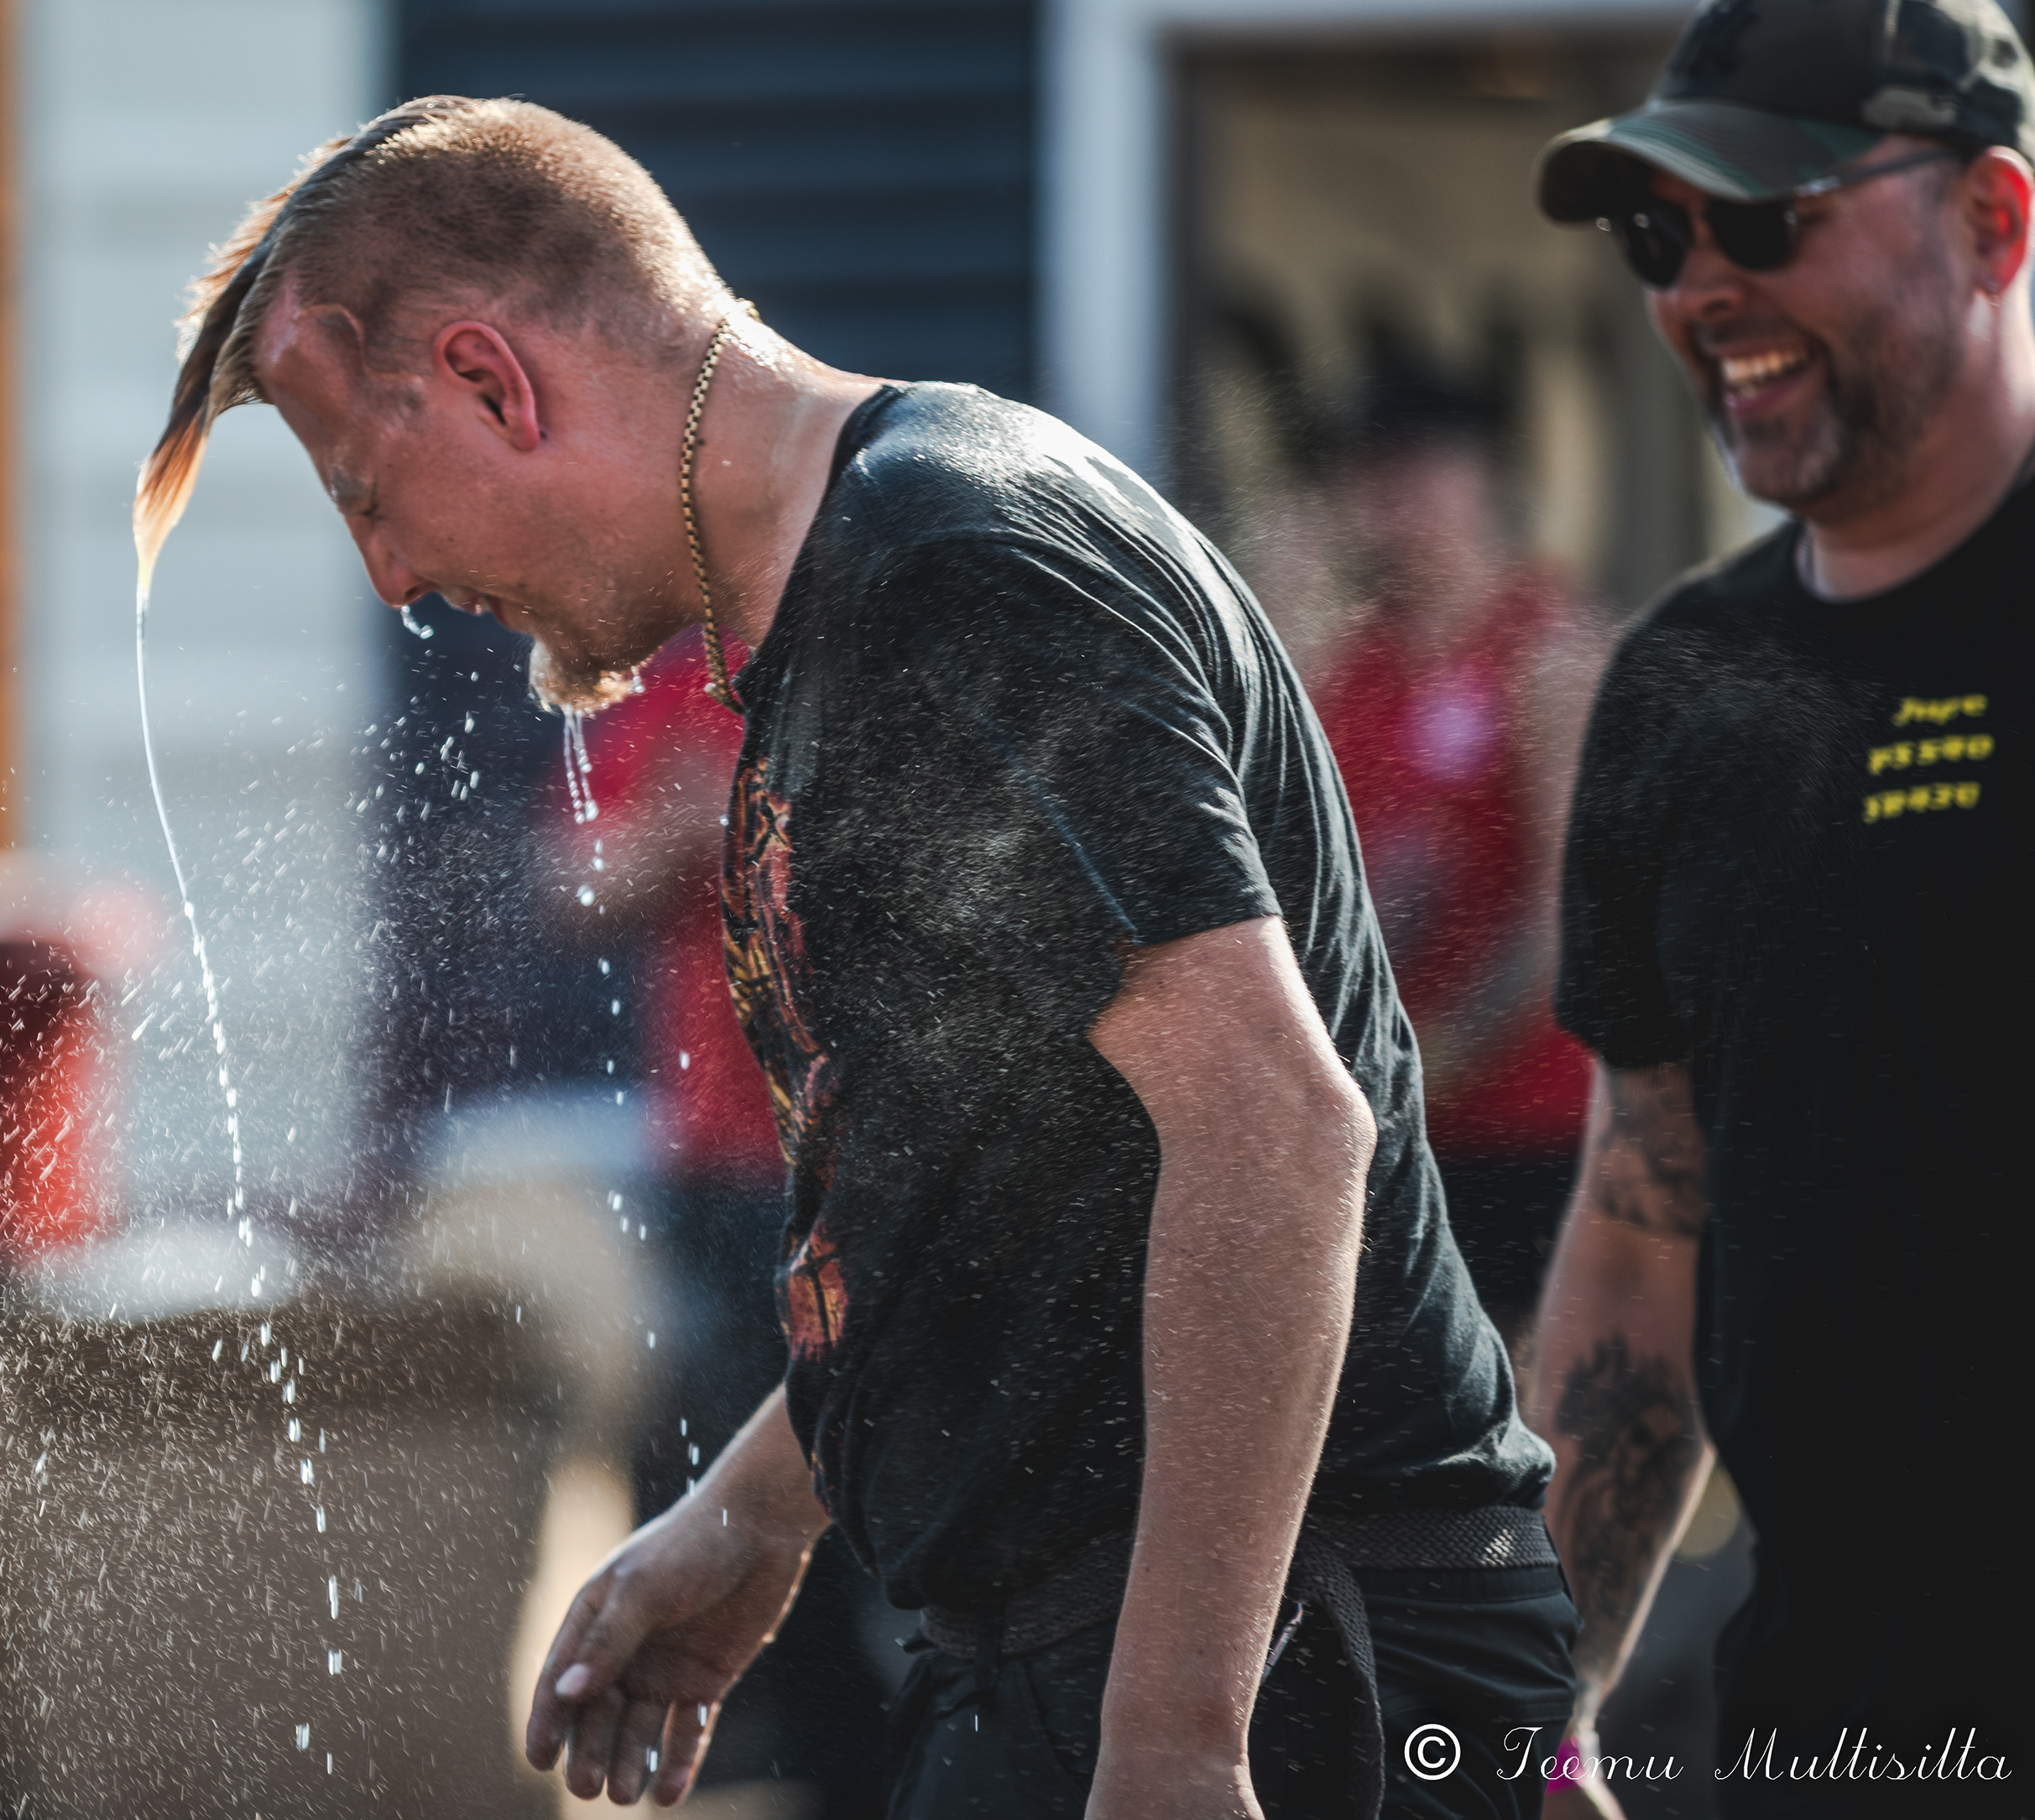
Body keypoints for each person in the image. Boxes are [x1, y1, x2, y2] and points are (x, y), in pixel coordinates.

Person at [137, 98, 1568, 1817]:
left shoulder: (955, 568)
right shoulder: (846, 598)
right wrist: (753, 1513)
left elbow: (1278, 1133)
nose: (392, 577)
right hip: (1148, 1640)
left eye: (369, 494)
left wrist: (1178, 1744)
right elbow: (1008, 1193)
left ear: (493, 382)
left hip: (1271, 1662)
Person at [1529, 0, 2032, 1810]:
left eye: (1768, 216)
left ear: (1992, 219)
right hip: (1833, 1736)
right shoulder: (1683, 689)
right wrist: (1528, 1709)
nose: (1703, 286)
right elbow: (1643, 1224)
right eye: (1659, 236)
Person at [537, 631, 893, 1813]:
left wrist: (752, 824)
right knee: (730, 1447)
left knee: (868, 1478)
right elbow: (573, 880)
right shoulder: (674, 671)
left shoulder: (875, 637)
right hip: (727, 1160)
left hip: (880, 1153)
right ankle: (787, 1763)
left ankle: (881, 1759)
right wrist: (668, 841)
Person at [1311, 354, 1603, 1340]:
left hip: (1533, 1124)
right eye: (1368, 475)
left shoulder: (1550, 652)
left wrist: (1428, 1063)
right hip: (1397, 1130)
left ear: (1484, 475)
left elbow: (1569, 916)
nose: (1388, 501)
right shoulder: (1349, 669)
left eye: (1414, 468)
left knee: (1528, 1396)